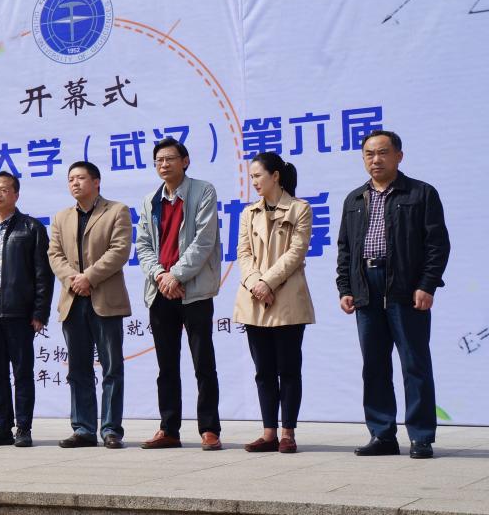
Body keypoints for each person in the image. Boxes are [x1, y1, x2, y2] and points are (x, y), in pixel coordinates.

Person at [337, 130, 450, 459]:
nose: (376, 160)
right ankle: (382, 434)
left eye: (383, 152)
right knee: (374, 366)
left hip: (405, 287)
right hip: (366, 288)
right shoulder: (354, 199)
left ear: (399, 156)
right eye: (369, 154)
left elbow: (437, 245)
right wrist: (346, 288)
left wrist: (427, 285)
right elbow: (345, 249)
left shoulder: (421, 193)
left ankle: (421, 436)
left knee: (415, 364)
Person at [136, 138, 223, 451]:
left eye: (170, 158)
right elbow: (143, 245)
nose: (164, 164)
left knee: (203, 363)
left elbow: (204, 241)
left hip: (194, 290)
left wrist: (176, 275)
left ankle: (209, 429)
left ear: (185, 161)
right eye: (159, 160)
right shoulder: (150, 200)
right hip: (161, 291)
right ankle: (169, 429)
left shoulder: (203, 191)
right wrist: (161, 275)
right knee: (166, 366)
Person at [234, 153, 314, 454]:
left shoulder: (300, 208)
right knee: (263, 370)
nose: (254, 182)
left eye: (258, 176)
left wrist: (267, 283)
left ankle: (287, 432)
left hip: (287, 298)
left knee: (289, 369)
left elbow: (296, 252)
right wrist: (256, 283)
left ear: (275, 176)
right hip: (254, 299)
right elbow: (243, 254)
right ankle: (268, 432)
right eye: (251, 177)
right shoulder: (248, 213)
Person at [0, 171, 53, 448]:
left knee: (22, 372)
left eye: (4, 189)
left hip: (18, 311)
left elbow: (43, 274)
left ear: (16, 194)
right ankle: (1, 427)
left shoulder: (31, 227)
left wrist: (40, 312)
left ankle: (23, 428)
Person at [47, 161, 131, 449]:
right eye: (71, 179)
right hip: (73, 301)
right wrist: (73, 279)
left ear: (96, 182)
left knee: (111, 367)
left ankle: (111, 429)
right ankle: (83, 428)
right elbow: (54, 254)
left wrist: (89, 278)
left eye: (81, 178)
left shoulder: (116, 210)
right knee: (78, 369)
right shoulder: (61, 217)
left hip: (105, 300)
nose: (75, 183)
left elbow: (119, 250)